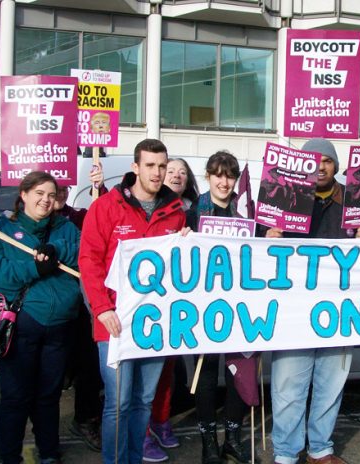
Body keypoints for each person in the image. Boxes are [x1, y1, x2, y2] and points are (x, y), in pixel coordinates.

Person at [78, 138, 187, 464]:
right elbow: (89, 261)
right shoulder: (106, 207)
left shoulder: (176, 212)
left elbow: (179, 271)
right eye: (151, 166)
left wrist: (186, 246)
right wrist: (101, 309)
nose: (157, 173)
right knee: (118, 403)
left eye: (162, 166)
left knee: (143, 401)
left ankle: (134, 459)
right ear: (135, 168)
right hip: (115, 324)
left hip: (155, 324)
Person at [268, 138, 360, 464]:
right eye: (313, 160)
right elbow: (255, 257)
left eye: (327, 160)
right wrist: (268, 236)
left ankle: (320, 448)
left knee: (331, 383)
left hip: (339, 311)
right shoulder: (286, 200)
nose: (320, 165)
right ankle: (286, 451)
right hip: (293, 311)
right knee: (287, 385)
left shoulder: (355, 204)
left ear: (336, 166)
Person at [0, 171, 82, 464]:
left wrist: (57, 252)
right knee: (16, 397)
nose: (45, 200)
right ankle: (10, 456)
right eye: (39, 193)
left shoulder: (65, 228)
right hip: (20, 326)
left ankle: (48, 452)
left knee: (48, 396)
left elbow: (82, 252)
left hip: (60, 327)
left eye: (51, 195)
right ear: (23, 195)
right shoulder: (2, 230)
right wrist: (35, 268)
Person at [188, 150, 260, 464]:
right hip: (203, 306)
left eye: (229, 175)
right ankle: (208, 441)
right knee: (205, 375)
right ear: (208, 176)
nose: (224, 181)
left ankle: (232, 436)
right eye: (218, 174)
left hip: (238, 306)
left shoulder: (244, 211)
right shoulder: (194, 212)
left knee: (239, 374)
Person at [142, 157, 200, 463]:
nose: (174, 175)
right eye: (170, 170)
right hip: (144, 306)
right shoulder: (150, 207)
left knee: (166, 373)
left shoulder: (189, 210)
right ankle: (144, 432)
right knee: (143, 379)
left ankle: (161, 421)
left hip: (174, 306)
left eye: (181, 172)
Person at [53, 166, 106, 452]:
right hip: (50, 314)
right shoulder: (30, 223)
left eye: (63, 189)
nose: (57, 195)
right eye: (52, 189)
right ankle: (44, 436)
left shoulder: (78, 216)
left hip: (82, 308)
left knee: (89, 369)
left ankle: (86, 419)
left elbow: (103, 220)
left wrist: (101, 188)